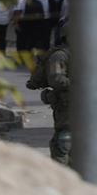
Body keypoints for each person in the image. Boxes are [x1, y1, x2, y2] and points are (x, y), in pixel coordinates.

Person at [27, 29, 71, 165]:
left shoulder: (82, 53)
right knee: (64, 141)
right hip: (68, 104)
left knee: (73, 140)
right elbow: (56, 79)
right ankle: (63, 173)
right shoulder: (60, 56)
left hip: (80, 103)